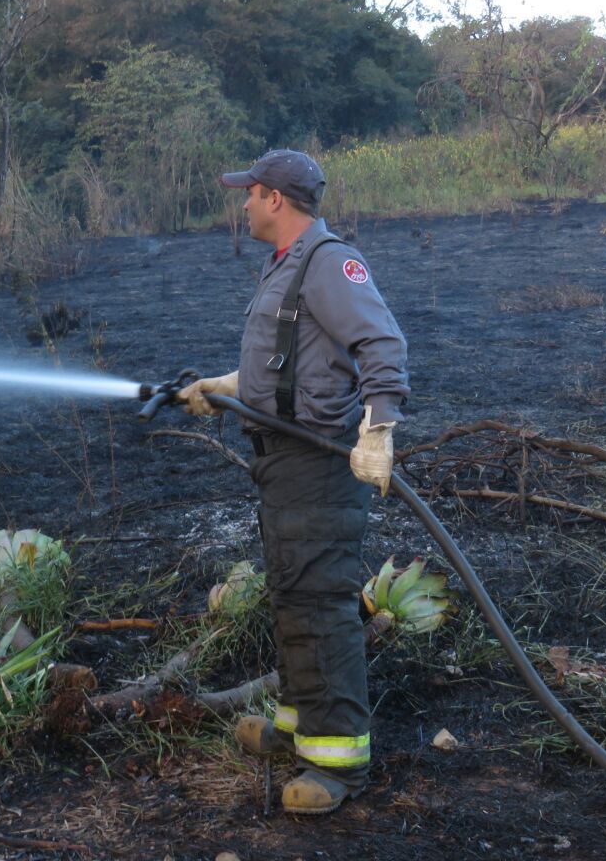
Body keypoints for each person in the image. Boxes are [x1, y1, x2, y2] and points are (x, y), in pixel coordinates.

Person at [176, 149, 409, 814]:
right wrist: (231, 386)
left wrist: (378, 430)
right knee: (291, 594)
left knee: (320, 605)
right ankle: (296, 723)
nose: (241, 204)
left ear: (275, 198)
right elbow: (295, 357)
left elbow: (382, 345)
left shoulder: (332, 262)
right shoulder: (287, 265)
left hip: (318, 464)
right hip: (282, 458)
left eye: (247, 193)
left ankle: (337, 761)